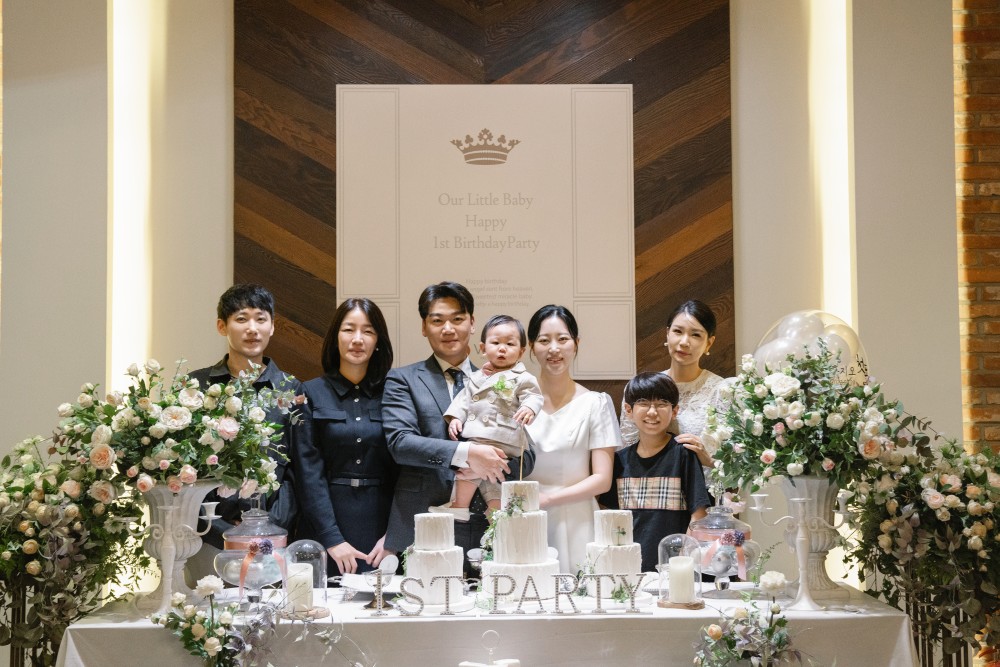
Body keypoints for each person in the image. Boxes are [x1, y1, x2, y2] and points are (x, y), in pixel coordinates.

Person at [382, 281, 535, 572]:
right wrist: (468, 454)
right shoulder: (403, 380)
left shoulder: (505, 378)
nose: (448, 328)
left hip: (487, 527)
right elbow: (400, 443)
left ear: (472, 323)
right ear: (424, 327)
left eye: (457, 319)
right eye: (437, 321)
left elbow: (528, 457)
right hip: (424, 524)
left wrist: (491, 462)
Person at [186, 284, 300, 582]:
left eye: (261, 319)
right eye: (241, 319)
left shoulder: (290, 388)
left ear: (272, 326)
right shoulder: (196, 387)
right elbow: (184, 468)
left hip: (272, 540)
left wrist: (268, 527)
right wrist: (223, 531)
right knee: (207, 608)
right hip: (208, 538)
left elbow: (298, 469)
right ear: (222, 326)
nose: (252, 328)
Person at [292, 298, 397, 575]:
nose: (357, 339)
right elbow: (307, 472)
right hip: (325, 527)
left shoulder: (395, 392)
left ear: (379, 341)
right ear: (335, 337)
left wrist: (395, 536)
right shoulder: (310, 392)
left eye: (368, 331)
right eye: (349, 329)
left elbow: (407, 472)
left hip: (383, 532)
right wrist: (332, 538)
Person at [524, 304, 622, 574]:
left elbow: (602, 479)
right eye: (544, 341)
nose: (554, 349)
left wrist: (548, 499)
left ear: (576, 344)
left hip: (577, 519)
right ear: (531, 346)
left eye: (563, 339)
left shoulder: (595, 403)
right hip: (526, 515)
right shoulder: (516, 402)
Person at [433, 314, 543, 520]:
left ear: (521, 351)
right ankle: (489, 512)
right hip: (478, 436)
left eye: (510, 344)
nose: (502, 348)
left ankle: (463, 505)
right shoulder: (476, 377)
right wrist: (455, 418)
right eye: (496, 343)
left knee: (474, 468)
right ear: (483, 348)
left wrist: (529, 408)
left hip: (504, 437)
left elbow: (534, 396)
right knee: (486, 476)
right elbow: (464, 400)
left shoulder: (522, 377)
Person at [600, 372, 711, 573]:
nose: (652, 412)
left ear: (674, 411)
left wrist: (682, 565)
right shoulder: (619, 461)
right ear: (628, 410)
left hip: (673, 571)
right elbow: (611, 519)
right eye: (643, 403)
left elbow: (699, 515)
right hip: (629, 570)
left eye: (662, 404)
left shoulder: (683, 454)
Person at [620, 300, 728, 478]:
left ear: (709, 343)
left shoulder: (722, 391)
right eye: (678, 331)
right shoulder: (641, 388)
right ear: (667, 334)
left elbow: (739, 467)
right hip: (649, 487)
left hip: (705, 490)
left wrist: (707, 459)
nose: (684, 342)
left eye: (695, 335)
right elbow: (627, 449)